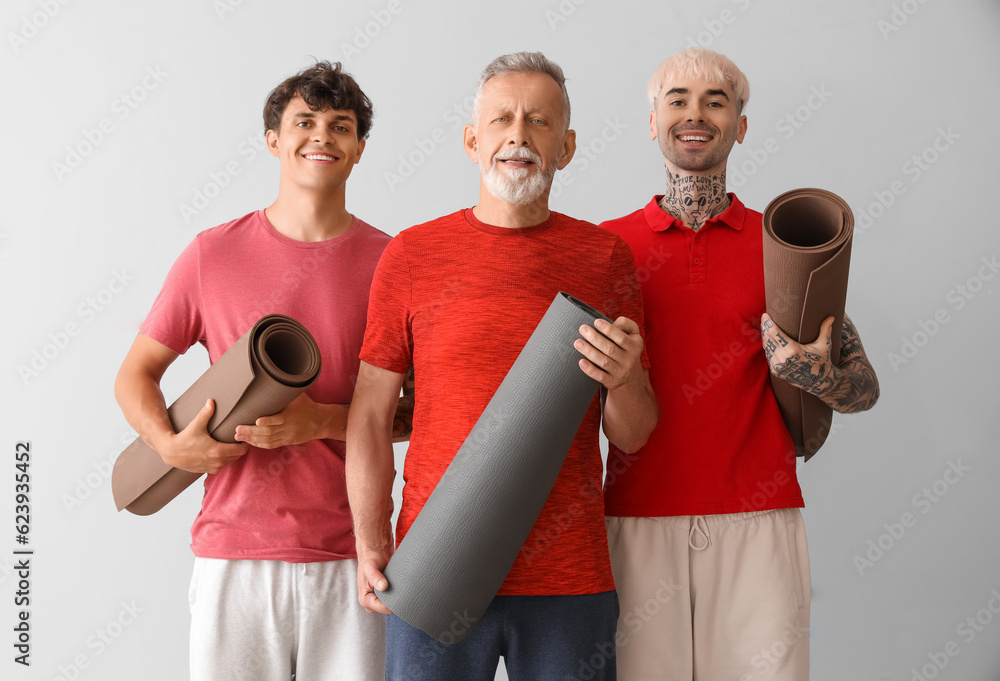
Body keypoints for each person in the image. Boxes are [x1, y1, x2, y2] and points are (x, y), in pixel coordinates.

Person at [346, 51, 658, 681]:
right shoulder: (413, 255)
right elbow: (370, 417)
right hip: (434, 564)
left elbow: (632, 433)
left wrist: (625, 379)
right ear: (472, 141)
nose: (519, 134)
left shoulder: (603, 258)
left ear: (566, 146)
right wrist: (372, 542)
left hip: (568, 576)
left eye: (540, 122)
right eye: (503, 120)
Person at [113, 61, 406, 681]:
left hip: (351, 554)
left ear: (358, 149)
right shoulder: (211, 255)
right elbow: (135, 374)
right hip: (233, 557)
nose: (321, 136)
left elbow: (420, 411)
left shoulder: (393, 264)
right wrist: (169, 444)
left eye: (341, 126)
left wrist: (319, 421)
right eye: (305, 122)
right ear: (274, 140)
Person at [600, 47, 879, 681]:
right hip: (634, 522)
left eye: (715, 101)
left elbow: (863, 389)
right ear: (651, 122)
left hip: (760, 522)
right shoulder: (605, 248)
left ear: (740, 126)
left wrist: (813, 373)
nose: (694, 115)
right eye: (677, 100)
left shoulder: (783, 249)